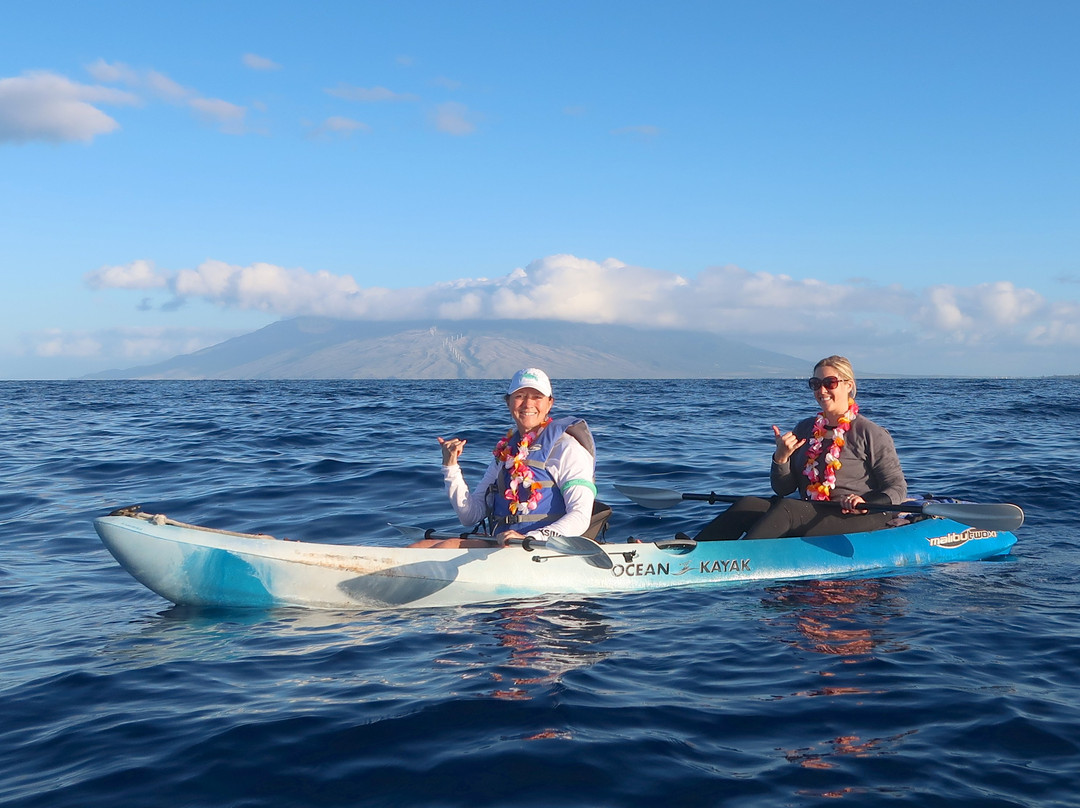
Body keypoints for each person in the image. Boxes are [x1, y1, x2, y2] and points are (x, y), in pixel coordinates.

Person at [694, 355, 907, 541]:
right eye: (815, 383)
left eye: (830, 383)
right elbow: (783, 489)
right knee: (748, 504)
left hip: (861, 515)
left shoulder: (871, 433)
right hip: (813, 510)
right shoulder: (805, 429)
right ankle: (690, 552)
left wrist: (865, 502)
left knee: (788, 510)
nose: (821, 390)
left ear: (848, 385)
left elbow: (897, 488)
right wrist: (781, 458)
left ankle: (738, 559)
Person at [415, 368, 601, 548]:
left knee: (447, 546)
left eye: (537, 397)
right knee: (421, 546)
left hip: (543, 550)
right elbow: (470, 516)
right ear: (508, 402)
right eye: (520, 396)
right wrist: (451, 467)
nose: (528, 404)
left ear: (549, 403)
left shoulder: (567, 448)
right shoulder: (505, 454)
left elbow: (580, 516)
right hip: (506, 547)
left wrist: (529, 539)